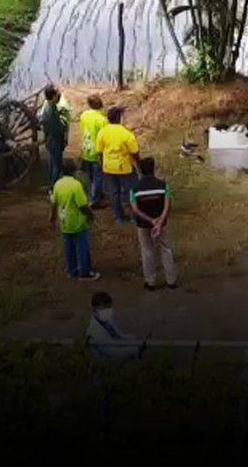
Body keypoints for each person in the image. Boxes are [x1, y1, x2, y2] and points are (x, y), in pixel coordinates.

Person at [130, 156, 178, 290]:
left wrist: (150, 221)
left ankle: (150, 282)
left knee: (147, 251)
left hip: (143, 225)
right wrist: (159, 222)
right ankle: (171, 281)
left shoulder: (135, 189)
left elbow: (135, 209)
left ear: (140, 171)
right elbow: (167, 205)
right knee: (166, 249)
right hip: (162, 224)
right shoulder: (163, 185)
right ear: (153, 169)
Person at [50, 158, 97, 280]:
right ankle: (85, 272)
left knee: (69, 247)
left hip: (64, 221)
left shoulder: (57, 184)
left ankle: (71, 270)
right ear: (74, 171)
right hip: (78, 221)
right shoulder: (76, 185)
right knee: (82, 247)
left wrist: (52, 218)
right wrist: (91, 216)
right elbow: (82, 206)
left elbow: (54, 204)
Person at [96, 106, 140, 224]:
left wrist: (103, 164)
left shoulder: (102, 132)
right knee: (130, 192)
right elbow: (135, 152)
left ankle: (118, 217)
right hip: (124, 167)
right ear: (119, 118)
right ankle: (134, 216)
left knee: (114, 193)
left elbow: (99, 151)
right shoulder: (126, 134)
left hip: (108, 167)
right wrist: (138, 164)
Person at [87, 291, 141, 360]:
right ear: (94, 310)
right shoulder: (94, 330)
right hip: (101, 364)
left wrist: (136, 338)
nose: (107, 310)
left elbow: (119, 336)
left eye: (108, 307)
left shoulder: (107, 320)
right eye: (104, 308)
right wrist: (133, 350)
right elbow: (111, 352)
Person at [78, 94, 109, 209]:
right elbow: (105, 137)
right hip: (97, 152)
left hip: (87, 149)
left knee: (91, 176)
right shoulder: (102, 120)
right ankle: (95, 200)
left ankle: (92, 195)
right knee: (98, 176)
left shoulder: (84, 115)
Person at [39, 85, 70, 189]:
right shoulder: (50, 111)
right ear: (53, 96)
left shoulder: (49, 106)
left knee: (52, 163)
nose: (59, 95)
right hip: (54, 141)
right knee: (57, 165)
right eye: (57, 94)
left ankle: (52, 185)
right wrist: (64, 133)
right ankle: (55, 187)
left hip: (51, 140)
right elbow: (57, 129)